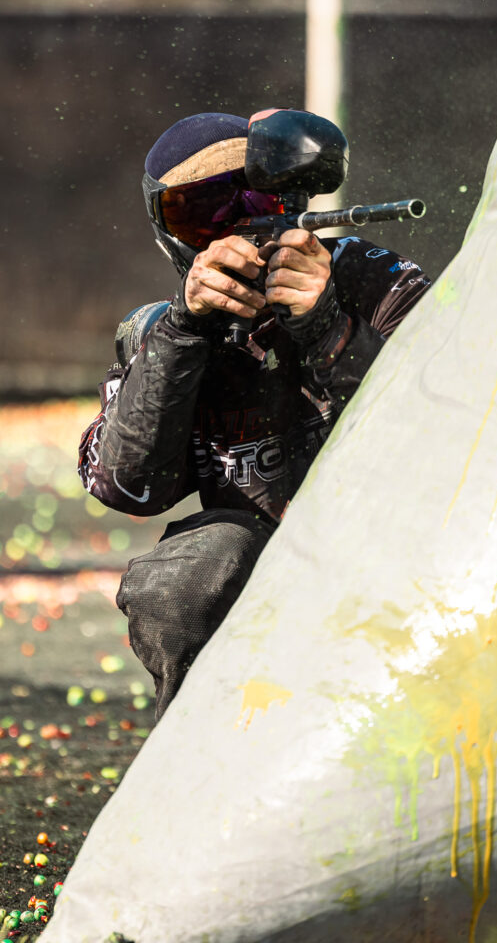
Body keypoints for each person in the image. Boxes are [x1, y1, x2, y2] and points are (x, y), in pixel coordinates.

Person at [78, 110, 431, 723]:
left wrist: (330, 329)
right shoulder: (164, 335)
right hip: (263, 575)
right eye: (202, 212)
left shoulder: (370, 279)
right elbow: (128, 486)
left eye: (253, 198)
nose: (238, 228)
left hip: (400, 548)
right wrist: (185, 333)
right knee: (186, 575)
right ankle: (201, 752)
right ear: (168, 234)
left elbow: (450, 424)